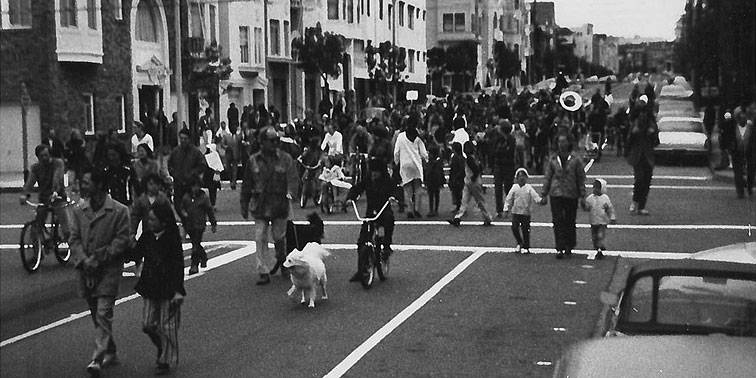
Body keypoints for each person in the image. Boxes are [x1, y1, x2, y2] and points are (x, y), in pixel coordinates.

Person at [70, 168, 130, 377]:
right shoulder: (79, 211)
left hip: (109, 269)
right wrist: (84, 259)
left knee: (104, 311)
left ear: (99, 186)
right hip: (86, 270)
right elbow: (74, 238)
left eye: (86, 182)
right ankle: (110, 349)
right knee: (96, 313)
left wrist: (101, 257)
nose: (82, 186)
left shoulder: (120, 211)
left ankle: (98, 357)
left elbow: (122, 240)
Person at [240, 127, 299, 285]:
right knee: (260, 237)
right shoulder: (253, 160)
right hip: (260, 205)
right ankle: (263, 270)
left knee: (279, 237)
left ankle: (282, 260)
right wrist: (244, 205)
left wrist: (290, 194)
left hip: (280, 204)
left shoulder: (285, 158)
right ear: (263, 142)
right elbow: (247, 183)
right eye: (272, 141)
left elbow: (293, 179)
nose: (275, 143)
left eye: (277, 140)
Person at [133, 203, 185, 375]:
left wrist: (178, 290)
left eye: (154, 219)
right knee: (147, 324)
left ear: (164, 221)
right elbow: (135, 253)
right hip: (150, 285)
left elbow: (178, 266)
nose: (150, 221)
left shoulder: (171, 239)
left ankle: (165, 360)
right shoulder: (147, 236)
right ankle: (162, 347)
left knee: (167, 325)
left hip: (168, 287)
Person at [346, 160, 396, 282]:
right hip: (371, 213)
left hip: (383, 211)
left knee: (389, 219)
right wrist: (350, 197)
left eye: (376, 172)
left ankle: (387, 246)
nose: (373, 174)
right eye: (372, 171)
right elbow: (357, 188)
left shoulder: (387, 181)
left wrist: (394, 197)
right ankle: (361, 269)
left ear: (381, 172)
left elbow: (396, 189)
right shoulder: (367, 180)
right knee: (361, 241)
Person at [541, 133, 586, 259]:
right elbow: (548, 176)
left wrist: (583, 195)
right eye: (559, 142)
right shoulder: (553, 159)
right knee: (557, 220)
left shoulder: (576, 159)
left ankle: (569, 245)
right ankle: (559, 247)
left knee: (570, 220)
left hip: (571, 193)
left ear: (568, 143)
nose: (561, 144)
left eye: (564, 141)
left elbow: (581, 178)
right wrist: (544, 193)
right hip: (556, 193)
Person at [20, 144, 69, 237]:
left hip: (58, 197)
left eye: (45, 155)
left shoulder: (58, 163)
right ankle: (38, 247)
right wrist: (25, 194)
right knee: (37, 226)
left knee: (66, 228)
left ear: (50, 154)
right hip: (44, 198)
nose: (44, 158)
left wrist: (55, 191)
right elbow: (30, 182)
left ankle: (69, 244)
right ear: (37, 157)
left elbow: (57, 178)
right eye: (41, 156)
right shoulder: (36, 168)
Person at [626, 97, 659, 215]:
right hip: (638, 155)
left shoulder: (652, 125)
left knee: (646, 181)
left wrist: (652, 134)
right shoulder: (634, 125)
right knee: (639, 179)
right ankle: (635, 202)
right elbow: (628, 141)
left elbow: (656, 142)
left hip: (648, 156)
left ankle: (641, 206)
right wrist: (633, 134)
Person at [168, 129, 207, 227]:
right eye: (181, 138)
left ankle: (190, 226)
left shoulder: (195, 152)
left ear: (189, 139)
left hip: (191, 185)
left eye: (185, 138)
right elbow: (170, 165)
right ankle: (186, 223)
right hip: (178, 184)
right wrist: (174, 173)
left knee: (190, 207)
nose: (183, 141)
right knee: (178, 206)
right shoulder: (175, 152)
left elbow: (202, 165)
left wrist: (193, 174)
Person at [449, 141, 492, 227]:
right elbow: (478, 169)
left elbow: (475, 170)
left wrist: (473, 177)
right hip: (472, 181)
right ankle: (458, 217)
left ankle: (487, 217)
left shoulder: (469, 159)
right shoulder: (474, 158)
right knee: (473, 201)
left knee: (471, 201)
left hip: (471, 181)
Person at [181, 177, 217, 275]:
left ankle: (194, 264)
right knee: (195, 243)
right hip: (189, 224)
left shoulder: (203, 197)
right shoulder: (186, 197)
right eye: (193, 186)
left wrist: (213, 223)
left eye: (197, 186)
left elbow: (209, 210)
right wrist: (183, 214)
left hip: (200, 224)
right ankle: (203, 256)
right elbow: (182, 208)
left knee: (195, 245)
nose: (195, 188)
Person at [503, 168, 542, 254]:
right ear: (516, 178)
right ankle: (519, 242)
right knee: (514, 228)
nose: (521, 178)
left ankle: (526, 246)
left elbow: (535, 196)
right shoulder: (514, 187)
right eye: (519, 176)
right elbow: (508, 199)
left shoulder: (529, 188)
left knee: (525, 229)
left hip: (525, 213)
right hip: (515, 212)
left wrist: (540, 200)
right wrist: (506, 209)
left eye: (523, 176)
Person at [394, 125, 429, 219]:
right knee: (418, 187)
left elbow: (396, 152)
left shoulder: (400, 136)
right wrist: (426, 160)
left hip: (405, 164)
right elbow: (424, 153)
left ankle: (410, 209)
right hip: (416, 164)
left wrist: (396, 162)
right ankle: (417, 209)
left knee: (407, 187)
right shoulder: (418, 138)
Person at [721, 107, 755, 198]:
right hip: (736, 152)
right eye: (740, 117)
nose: (742, 119)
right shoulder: (732, 127)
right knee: (738, 172)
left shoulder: (751, 127)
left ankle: (750, 188)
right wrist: (727, 148)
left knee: (751, 171)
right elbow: (725, 138)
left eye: (744, 117)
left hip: (750, 152)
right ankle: (740, 191)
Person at [583, 178, 616, 260]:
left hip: (602, 222)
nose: (595, 189)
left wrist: (612, 217)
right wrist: (584, 205)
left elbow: (609, 209)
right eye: (594, 187)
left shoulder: (605, 199)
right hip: (593, 221)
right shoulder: (590, 198)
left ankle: (600, 248)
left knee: (600, 235)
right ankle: (597, 247)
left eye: (597, 187)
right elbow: (587, 208)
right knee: (594, 237)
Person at [492, 120, 516, 218]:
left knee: (508, 188)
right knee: (498, 188)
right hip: (500, 165)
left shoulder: (511, 139)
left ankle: (510, 208)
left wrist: (500, 151)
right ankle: (499, 210)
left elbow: (507, 152)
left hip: (507, 166)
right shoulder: (498, 139)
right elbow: (495, 150)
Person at [424, 145, 446, 217]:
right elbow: (441, 171)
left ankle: (432, 210)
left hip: (432, 180)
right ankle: (434, 210)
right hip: (435, 180)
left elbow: (427, 171)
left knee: (432, 195)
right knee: (435, 195)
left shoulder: (431, 162)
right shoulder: (438, 161)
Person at [203, 143, 224, 207]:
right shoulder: (208, 156)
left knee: (213, 190)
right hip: (210, 176)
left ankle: (212, 204)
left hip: (213, 176)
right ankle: (212, 204)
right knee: (212, 190)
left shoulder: (214, 155)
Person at [449, 142, 466, 213]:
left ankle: (459, 207)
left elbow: (459, 169)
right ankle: (459, 206)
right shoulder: (462, 158)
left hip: (457, 177)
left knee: (457, 193)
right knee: (458, 193)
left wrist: (454, 177)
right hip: (459, 177)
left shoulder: (456, 158)